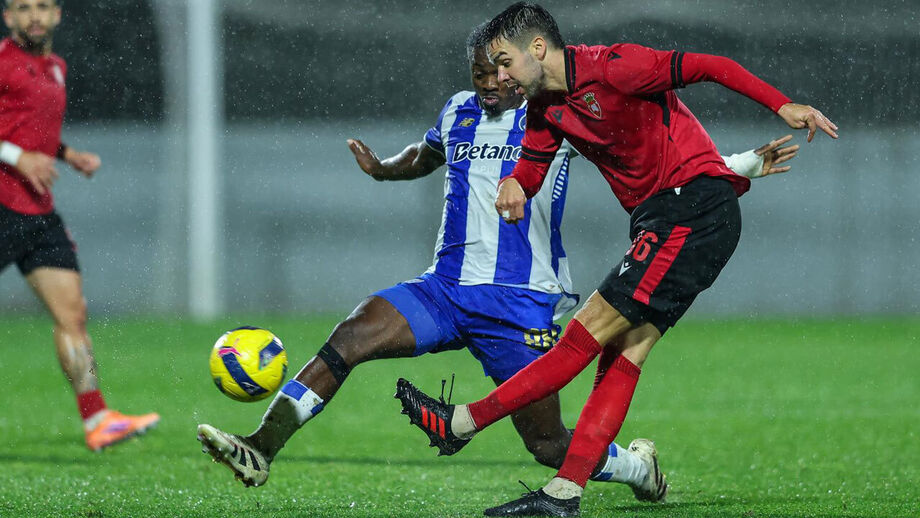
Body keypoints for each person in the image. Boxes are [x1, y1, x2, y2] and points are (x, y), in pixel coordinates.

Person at [196, 22, 796, 496]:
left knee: (547, 443)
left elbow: (648, 156)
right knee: (352, 334)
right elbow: (427, 154)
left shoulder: (558, 113)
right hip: (444, 289)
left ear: (521, 68)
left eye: (497, 70)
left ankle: (637, 470)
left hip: (521, 303)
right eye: (478, 72)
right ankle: (260, 447)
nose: (487, 82)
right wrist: (384, 169)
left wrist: (741, 165)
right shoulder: (458, 109)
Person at [394, 3, 835, 516]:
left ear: (538, 49)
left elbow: (714, 65)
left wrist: (783, 106)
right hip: (667, 218)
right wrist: (516, 181)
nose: (500, 75)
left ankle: (463, 422)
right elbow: (533, 163)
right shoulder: (545, 108)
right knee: (625, 349)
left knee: (587, 331)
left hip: (690, 208)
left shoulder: (617, 66)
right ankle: (565, 493)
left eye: (506, 62)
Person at [0, 0, 159, 451]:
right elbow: (17, 142)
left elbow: (31, 126)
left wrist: (67, 155)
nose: (35, 15)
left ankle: (98, 419)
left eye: (44, 6)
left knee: (72, 315)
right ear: (8, 17)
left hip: (37, 214)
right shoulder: (3, 64)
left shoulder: (55, 67)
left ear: (58, 14)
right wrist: (17, 157)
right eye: (24, 7)